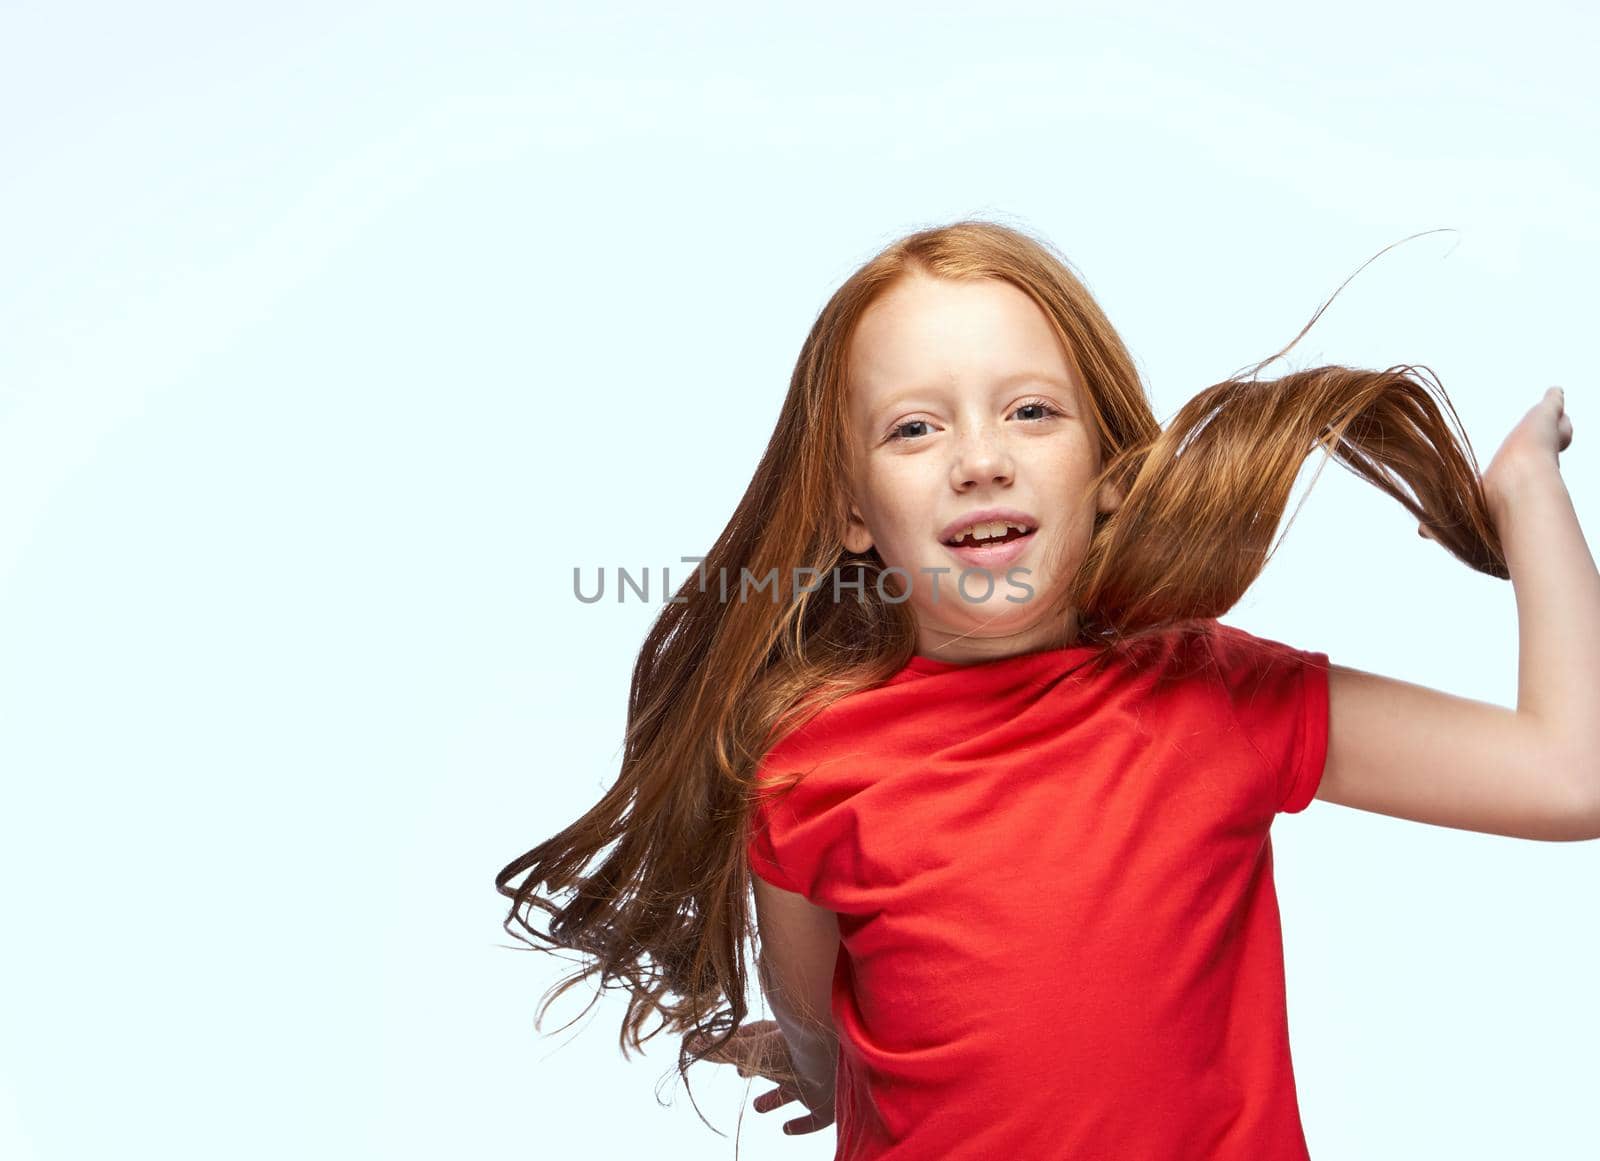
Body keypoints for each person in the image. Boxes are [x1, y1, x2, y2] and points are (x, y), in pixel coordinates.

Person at [495, 220, 1594, 1159]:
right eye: (915, 428)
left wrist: (1528, 494)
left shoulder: (1216, 697)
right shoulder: (808, 767)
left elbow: (1568, 774)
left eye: (1029, 412)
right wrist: (814, 1065)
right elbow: (820, 1028)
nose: (980, 459)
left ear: (1113, 475)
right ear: (850, 514)